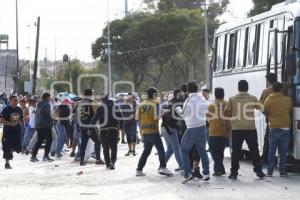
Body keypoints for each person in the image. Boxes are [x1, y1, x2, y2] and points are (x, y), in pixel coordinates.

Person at [224, 80, 265, 179]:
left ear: (238, 88)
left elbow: (226, 113)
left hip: (237, 128)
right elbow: (263, 109)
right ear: (247, 88)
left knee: (236, 151)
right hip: (250, 128)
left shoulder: (232, 99)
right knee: (254, 150)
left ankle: (234, 173)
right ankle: (258, 170)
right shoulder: (252, 98)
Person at [176, 81, 210, 183]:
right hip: (203, 127)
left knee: (183, 149)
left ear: (188, 90)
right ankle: (206, 173)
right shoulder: (202, 98)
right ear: (197, 89)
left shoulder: (189, 100)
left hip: (192, 128)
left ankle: (187, 173)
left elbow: (183, 114)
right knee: (202, 151)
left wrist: (178, 109)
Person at [136, 87, 173, 177]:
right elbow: (156, 118)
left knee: (146, 151)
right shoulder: (155, 104)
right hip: (153, 130)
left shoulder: (141, 104)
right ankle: (163, 167)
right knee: (160, 149)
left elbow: (137, 118)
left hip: (145, 130)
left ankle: (139, 169)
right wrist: (163, 113)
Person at [264, 82, 293, 177]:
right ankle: (283, 171)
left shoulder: (268, 100)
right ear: (281, 89)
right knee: (283, 151)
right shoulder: (287, 100)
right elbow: (291, 111)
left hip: (273, 127)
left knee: (272, 151)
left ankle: (269, 172)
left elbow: (265, 111)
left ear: (273, 89)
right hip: (285, 128)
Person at [91, 95, 122, 170]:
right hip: (114, 129)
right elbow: (121, 118)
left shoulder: (100, 108)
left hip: (103, 130)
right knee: (114, 147)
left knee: (105, 148)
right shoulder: (116, 107)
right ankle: (112, 162)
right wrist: (120, 128)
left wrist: (91, 127)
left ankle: (107, 164)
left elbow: (94, 119)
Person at [207, 88, 230, 176]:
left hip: (214, 131)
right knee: (220, 151)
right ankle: (218, 171)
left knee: (213, 150)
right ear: (223, 94)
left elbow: (208, 118)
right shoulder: (227, 104)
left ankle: (220, 167)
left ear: (215, 95)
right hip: (225, 131)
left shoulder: (211, 105)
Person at [78, 89, 103, 166]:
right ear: (91, 94)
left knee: (83, 144)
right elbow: (96, 115)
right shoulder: (93, 102)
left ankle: (81, 160)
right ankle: (98, 159)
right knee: (98, 141)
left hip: (82, 126)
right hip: (91, 125)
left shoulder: (80, 103)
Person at [161, 89, 183, 171]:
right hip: (169, 129)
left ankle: (162, 165)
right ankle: (182, 166)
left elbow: (163, 115)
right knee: (176, 148)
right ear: (177, 94)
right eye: (181, 93)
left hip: (164, 128)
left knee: (170, 149)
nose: (182, 94)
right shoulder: (177, 103)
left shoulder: (170, 103)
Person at [0, 95, 23, 169]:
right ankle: (7, 163)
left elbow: (21, 119)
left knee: (18, 149)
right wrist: (10, 123)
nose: (16, 102)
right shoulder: (6, 109)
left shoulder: (19, 109)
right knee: (7, 148)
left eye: (17, 100)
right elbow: (1, 120)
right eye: (14, 100)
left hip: (17, 132)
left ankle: (11, 150)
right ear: (10, 101)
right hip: (8, 132)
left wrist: (22, 126)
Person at [259, 73, 277, 165]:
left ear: (268, 81)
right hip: (284, 122)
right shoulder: (282, 88)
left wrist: (266, 114)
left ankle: (265, 159)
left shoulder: (266, 91)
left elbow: (260, 105)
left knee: (268, 140)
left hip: (271, 120)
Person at [30, 93, 54, 162]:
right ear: (47, 97)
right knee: (49, 140)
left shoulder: (39, 104)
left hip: (38, 125)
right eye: (49, 98)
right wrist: (54, 120)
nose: (50, 99)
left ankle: (33, 156)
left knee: (39, 140)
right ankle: (45, 156)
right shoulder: (47, 104)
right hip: (45, 125)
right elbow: (49, 115)